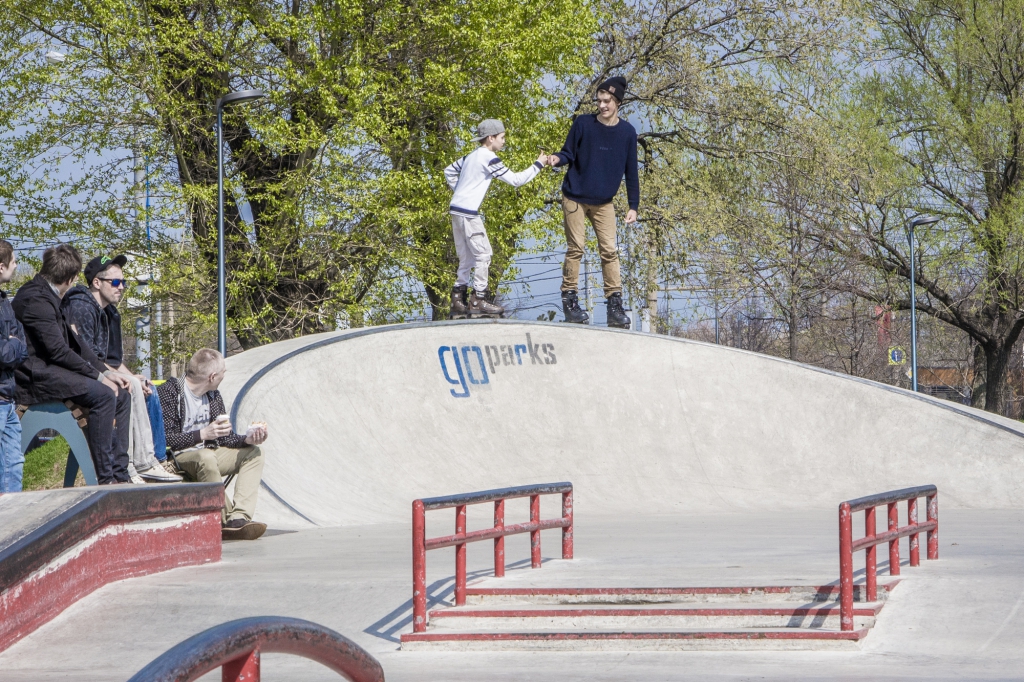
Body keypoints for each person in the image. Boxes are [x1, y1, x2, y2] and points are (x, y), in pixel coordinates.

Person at [13, 244, 131, 484]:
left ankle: (121, 473)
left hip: (51, 369)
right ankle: (106, 479)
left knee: (122, 394)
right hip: (34, 375)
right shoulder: (35, 299)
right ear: (71, 278)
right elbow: (58, 351)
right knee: (104, 394)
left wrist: (105, 371)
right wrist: (100, 379)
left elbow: (75, 343)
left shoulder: (50, 295)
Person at [61, 255, 180, 483]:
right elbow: (86, 358)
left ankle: (152, 459)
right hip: (78, 378)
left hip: (97, 373)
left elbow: (111, 360)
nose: (122, 287)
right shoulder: (82, 307)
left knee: (144, 385)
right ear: (97, 283)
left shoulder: (108, 312)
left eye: (123, 282)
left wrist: (131, 375)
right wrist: (121, 377)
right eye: (115, 282)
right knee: (129, 387)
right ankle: (135, 464)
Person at [547, 76, 639, 328]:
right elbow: (568, 152)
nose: (602, 105)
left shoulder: (627, 133)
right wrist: (557, 159)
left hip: (604, 202)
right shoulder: (583, 124)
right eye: (598, 101)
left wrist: (633, 205)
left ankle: (614, 305)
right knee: (576, 248)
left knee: (609, 251)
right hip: (575, 196)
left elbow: (632, 171)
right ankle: (570, 301)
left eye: (607, 101)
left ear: (618, 102)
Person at [157, 348, 268, 540]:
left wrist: (247, 439)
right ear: (212, 376)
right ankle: (224, 520)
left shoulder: (213, 395)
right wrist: (202, 434)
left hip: (209, 452)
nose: (225, 375)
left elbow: (225, 439)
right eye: (223, 372)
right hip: (178, 457)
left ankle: (239, 516)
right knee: (205, 457)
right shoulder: (170, 392)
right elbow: (165, 438)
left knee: (254, 453)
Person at [444, 118, 549, 319]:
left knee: (466, 257)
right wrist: (538, 164)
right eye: (502, 137)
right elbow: (516, 180)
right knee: (484, 254)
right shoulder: (488, 157)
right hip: (468, 211)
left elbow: (449, 170)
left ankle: (458, 299)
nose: (504, 141)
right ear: (490, 138)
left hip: (456, 209)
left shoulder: (470, 156)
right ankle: (478, 299)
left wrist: (459, 190)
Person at [0, 240, 28, 492]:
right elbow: (4, 355)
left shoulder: (4, 301)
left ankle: (11, 527)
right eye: (14, 261)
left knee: (13, 465)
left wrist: (14, 343)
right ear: (1, 266)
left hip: (7, 399)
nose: (16, 265)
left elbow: (22, 346)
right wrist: (14, 344)